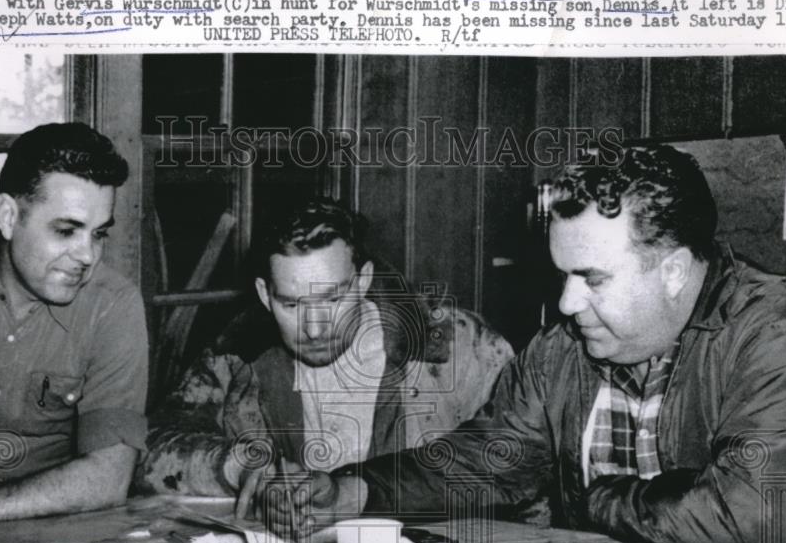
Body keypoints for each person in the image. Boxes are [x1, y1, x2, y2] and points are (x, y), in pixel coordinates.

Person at [266, 147, 786, 543]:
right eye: (563, 275)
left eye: (592, 278)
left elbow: (762, 514)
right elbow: (487, 460)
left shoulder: (777, 331)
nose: (566, 301)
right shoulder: (564, 349)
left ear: (674, 270)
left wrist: (599, 501)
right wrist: (357, 489)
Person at [137, 199, 515, 505]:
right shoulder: (235, 357)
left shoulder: (456, 345)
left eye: (332, 299)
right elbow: (147, 450)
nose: (315, 329)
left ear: (363, 280)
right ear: (264, 295)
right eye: (292, 305)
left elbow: (524, 465)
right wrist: (242, 468)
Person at [0, 122, 148, 521]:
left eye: (99, 235)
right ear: (9, 217)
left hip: (40, 535)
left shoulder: (113, 306)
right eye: (66, 231)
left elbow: (109, 476)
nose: (87, 256)